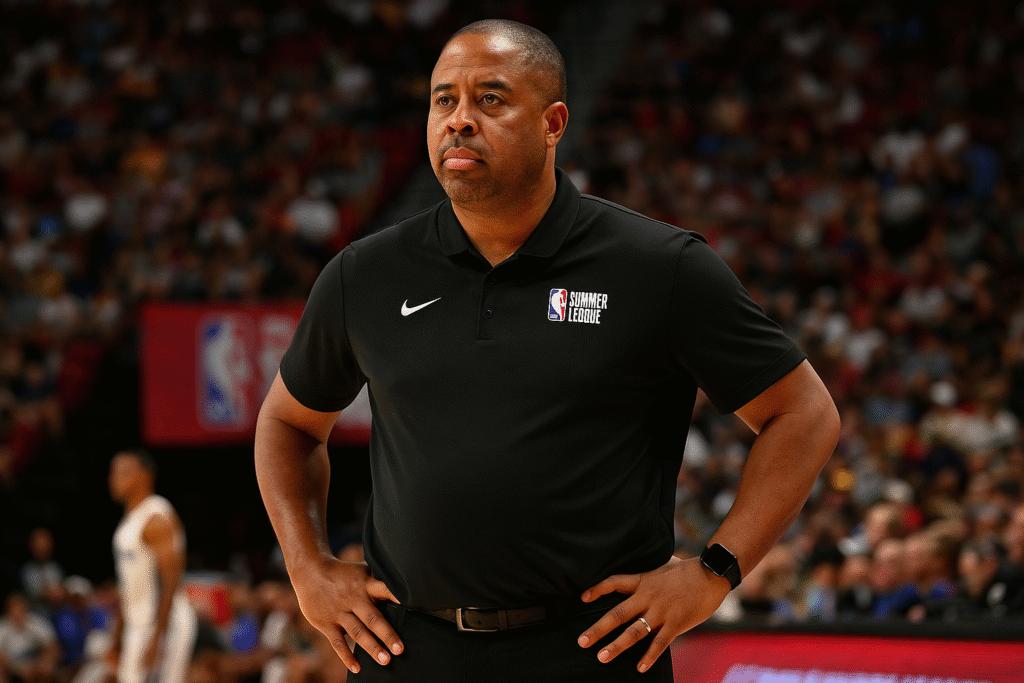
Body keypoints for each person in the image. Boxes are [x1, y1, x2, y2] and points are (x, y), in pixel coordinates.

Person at [254, 18, 839, 682]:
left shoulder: (659, 267)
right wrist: (307, 566)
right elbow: (289, 423)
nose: (460, 120)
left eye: (491, 99)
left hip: (592, 650)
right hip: (408, 649)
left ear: (553, 122)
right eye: (444, 99)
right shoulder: (364, 275)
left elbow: (804, 414)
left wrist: (714, 571)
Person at [108, 448, 198, 683]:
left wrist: (158, 635)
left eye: (124, 472)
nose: (114, 478)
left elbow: (170, 580)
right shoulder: (131, 520)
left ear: (146, 476)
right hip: (139, 621)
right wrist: (117, 634)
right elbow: (127, 585)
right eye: (113, 472)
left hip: (162, 622)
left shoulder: (156, 518)